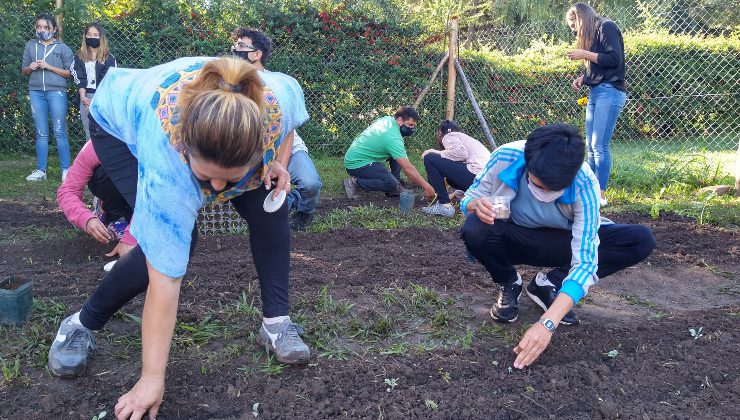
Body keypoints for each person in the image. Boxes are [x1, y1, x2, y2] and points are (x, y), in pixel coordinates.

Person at [45, 56, 310, 419]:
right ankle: (81, 324)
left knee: (270, 203)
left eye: (230, 180)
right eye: (207, 178)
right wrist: (152, 378)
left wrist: (276, 162)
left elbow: (288, 124)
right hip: (117, 123)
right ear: (186, 149)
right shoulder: (166, 157)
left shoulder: (276, 100)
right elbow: (165, 280)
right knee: (170, 245)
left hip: (221, 131)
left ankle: (276, 324)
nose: (217, 190)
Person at [460, 123, 654, 369]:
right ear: (528, 164)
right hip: (514, 235)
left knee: (640, 239)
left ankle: (550, 284)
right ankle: (509, 281)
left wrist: (547, 323)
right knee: (474, 227)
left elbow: (585, 262)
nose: (543, 193)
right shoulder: (505, 156)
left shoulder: (585, 182)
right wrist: (474, 205)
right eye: (537, 185)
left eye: (554, 189)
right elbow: (471, 195)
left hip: (562, 240)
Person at [231, 28, 322, 231]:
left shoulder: (280, 83)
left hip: (288, 145)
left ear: (257, 54)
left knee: (310, 184)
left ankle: (304, 212)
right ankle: (281, 206)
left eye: (241, 46)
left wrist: (280, 164)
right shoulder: (231, 83)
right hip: (255, 151)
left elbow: (289, 130)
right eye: (235, 45)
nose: (235, 49)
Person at [567, 2, 627, 206]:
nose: (574, 30)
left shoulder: (606, 27)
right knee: (590, 146)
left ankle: (600, 194)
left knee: (599, 145)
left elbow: (614, 59)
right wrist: (583, 78)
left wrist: (584, 54)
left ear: (580, 18)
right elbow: (600, 65)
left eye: (574, 26)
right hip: (597, 91)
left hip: (610, 91)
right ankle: (591, 191)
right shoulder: (594, 34)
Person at [57, 139, 135, 258]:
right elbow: (68, 190)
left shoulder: (153, 142)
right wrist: (85, 219)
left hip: (151, 196)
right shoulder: (95, 145)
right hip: (119, 194)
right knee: (106, 174)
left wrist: (131, 236)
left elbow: (158, 196)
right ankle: (112, 214)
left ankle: (131, 219)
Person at [21, 13, 74, 182]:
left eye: (46, 27)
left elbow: (69, 73)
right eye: (39, 27)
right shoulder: (30, 45)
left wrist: (49, 67)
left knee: (59, 131)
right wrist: (30, 67)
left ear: (54, 29)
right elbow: (24, 71)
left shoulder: (63, 48)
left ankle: (66, 169)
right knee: (41, 133)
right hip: (36, 92)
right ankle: (41, 170)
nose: (42, 30)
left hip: (56, 92)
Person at [342, 106, 435, 201]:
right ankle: (353, 182)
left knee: (397, 155)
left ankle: (395, 187)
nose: (412, 128)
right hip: (356, 164)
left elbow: (373, 124)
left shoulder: (388, 119)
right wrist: (427, 187)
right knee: (391, 183)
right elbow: (407, 168)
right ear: (399, 120)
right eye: (410, 125)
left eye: (414, 126)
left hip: (359, 156)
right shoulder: (393, 138)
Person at [420, 120, 490, 217]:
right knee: (450, 177)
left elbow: (462, 153)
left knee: (430, 158)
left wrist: (434, 151)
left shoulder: (449, 136)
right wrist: (455, 195)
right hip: (486, 184)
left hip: (477, 176)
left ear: (440, 133)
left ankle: (445, 206)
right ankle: (457, 201)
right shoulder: (468, 140)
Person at [71, 22, 117, 140]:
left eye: (95, 35)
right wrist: (83, 98)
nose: (92, 37)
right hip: (84, 96)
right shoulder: (79, 56)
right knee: (89, 132)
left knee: (103, 131)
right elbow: (79, 77)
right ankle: (91, 158)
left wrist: (94, 101)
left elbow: (106, 81)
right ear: (85, 36)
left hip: (102, 98)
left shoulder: (109, 58)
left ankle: (104, 158)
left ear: (101, 37)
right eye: (89, 34)